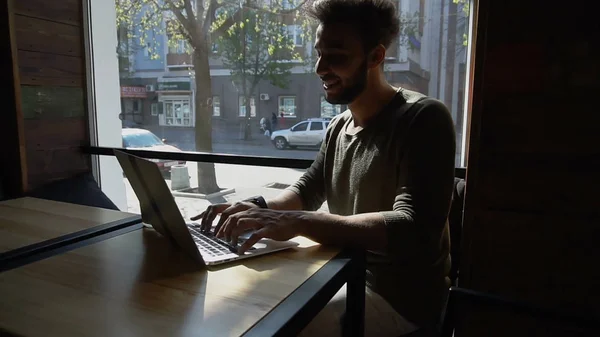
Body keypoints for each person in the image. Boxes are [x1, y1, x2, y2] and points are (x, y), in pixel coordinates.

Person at [192, 0, 456, 336]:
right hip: (343, 273)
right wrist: (254, 209)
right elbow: (306, 191)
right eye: (318, 53)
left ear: (375, 57)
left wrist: (296, 222)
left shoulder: (424, 119)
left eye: (336, 56)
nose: (319, 67)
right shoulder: (338, 127)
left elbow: (412, 228)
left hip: (402, 301)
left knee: (276, 323)